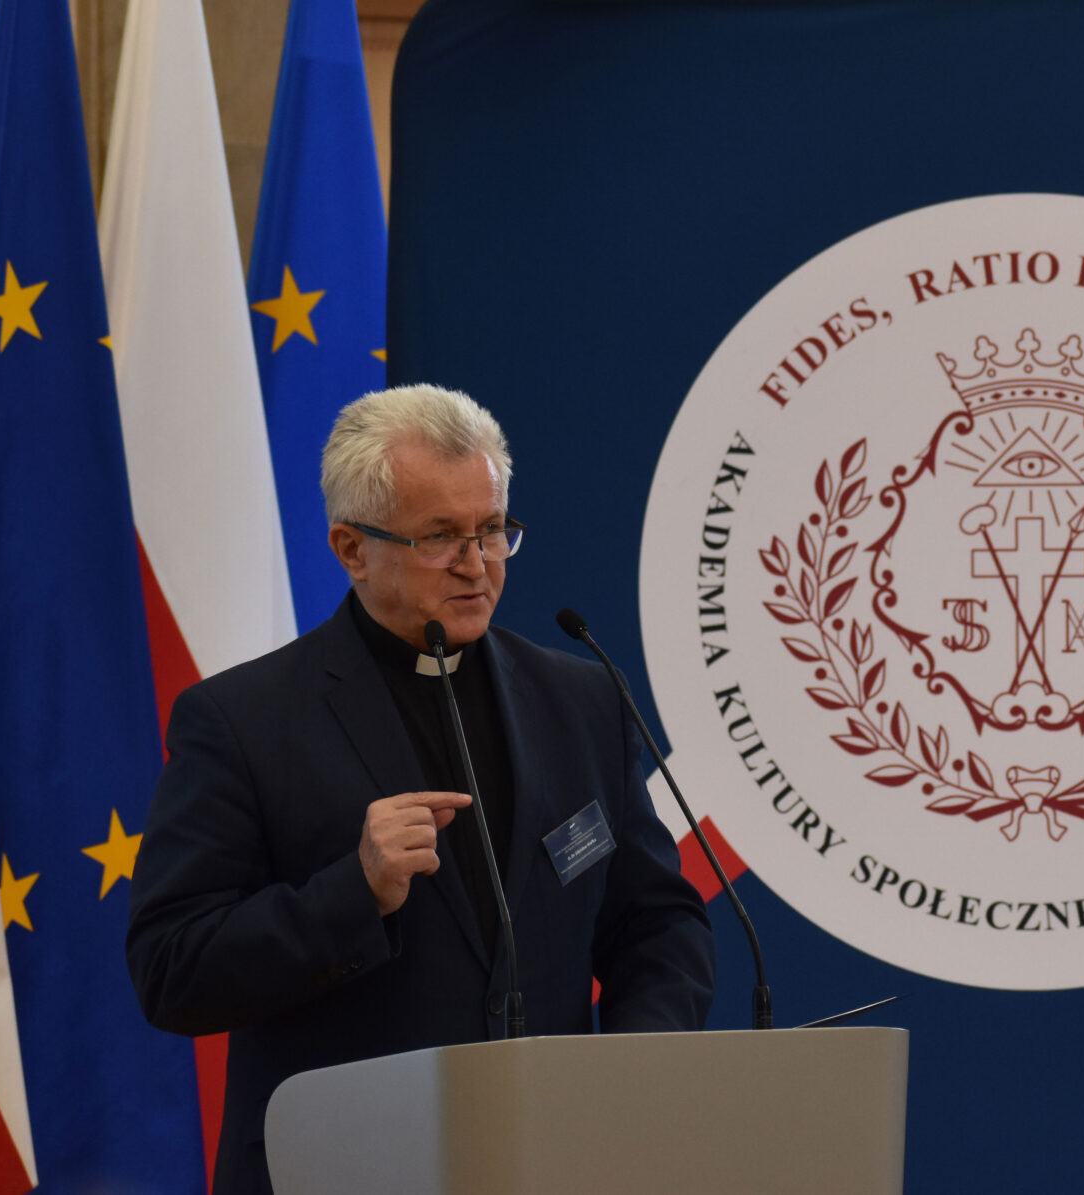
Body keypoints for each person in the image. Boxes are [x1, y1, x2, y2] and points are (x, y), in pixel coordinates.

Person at [125, 385, 716, 1193]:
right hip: (341, 1169)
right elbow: (171, 971)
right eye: (440, 536)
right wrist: (355, 891)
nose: (477, 563)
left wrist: (630, 1068)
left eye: (492, 528)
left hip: (554, 1161)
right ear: (351, 548)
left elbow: (659, 923)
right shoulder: (243, 722)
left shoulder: (581, 701)